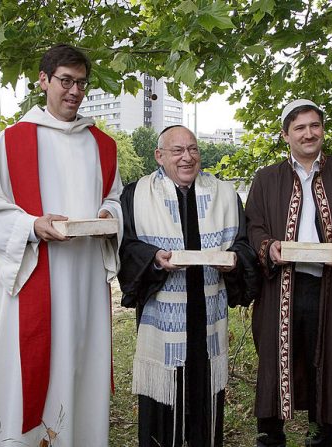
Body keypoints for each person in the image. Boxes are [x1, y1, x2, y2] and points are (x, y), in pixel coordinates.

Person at [0, 44, 122, 447]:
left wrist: (110, 216)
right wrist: (32, 225)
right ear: (44, 80)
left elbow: (114, 198)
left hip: (87, 281)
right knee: (31, 371)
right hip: (36, 274)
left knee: (80, 364)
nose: (74, 91)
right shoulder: (12, 141)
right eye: (65, 81)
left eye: (81, 83)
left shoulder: (102, 145)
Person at [245, 99, 332, 447]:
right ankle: (271, 435)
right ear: (285, 135)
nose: (309, 133)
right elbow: (253, 226)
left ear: (322, 129)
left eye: (314, 126)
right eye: (300, 128)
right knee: (277, 357)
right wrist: (269, 247)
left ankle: (322, 436)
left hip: (331, 286)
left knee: (328, 357)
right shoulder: (266, 178)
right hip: (280, 286)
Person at [118, 125, 260, 446]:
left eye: (193, 149)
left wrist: (234, 259)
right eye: (177, 150)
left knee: (204, 401)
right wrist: (155, 258)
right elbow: (125, 248)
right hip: (162, 321)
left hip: (206, 319)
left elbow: (245, 244)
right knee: (162, 408)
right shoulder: (136, 195)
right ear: (159, 156)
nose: (187, 157)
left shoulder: (224, 195)